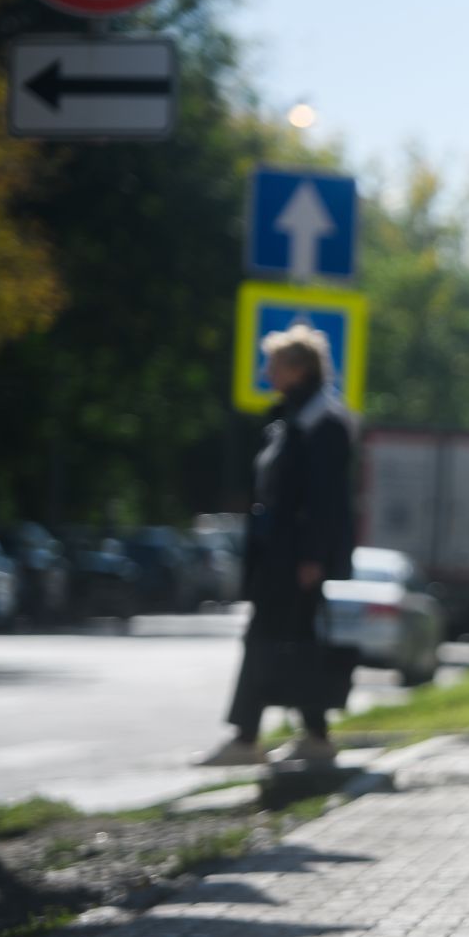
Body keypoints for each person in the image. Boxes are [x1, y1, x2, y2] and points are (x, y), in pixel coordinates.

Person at [200, 326, 358, 767]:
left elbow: (325, 497)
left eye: (274, 364)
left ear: (299, 368)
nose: (266, 372)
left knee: (267, 636)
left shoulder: (321, 421)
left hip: (294, 556)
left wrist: (312, 556)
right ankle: (315, 736)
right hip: (280, 553)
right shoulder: (293, 416)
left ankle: (247, 737)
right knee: (294, 639)